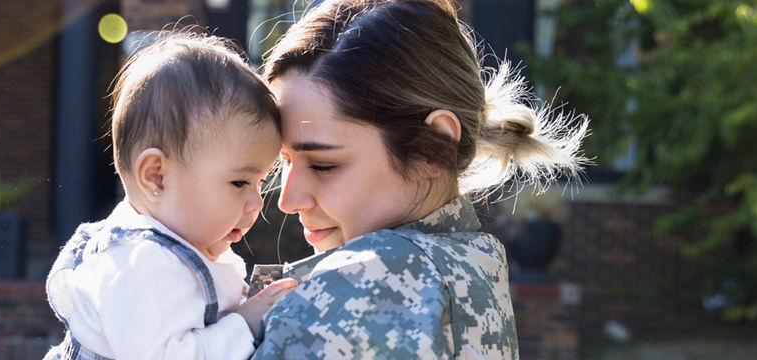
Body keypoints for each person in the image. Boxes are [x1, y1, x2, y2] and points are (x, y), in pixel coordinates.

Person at [252, 0, 590, 358]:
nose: (288, 200)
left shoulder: (368, 282)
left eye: (323, 165)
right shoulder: (473, 262)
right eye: (285, 160)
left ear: (434, 146)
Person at [44, 32, 297, 360]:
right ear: (156, 177)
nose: (256, 203)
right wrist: (245, 325)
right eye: (239, 182)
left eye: (260, 183)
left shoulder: (175, 250)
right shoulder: (144, 264)